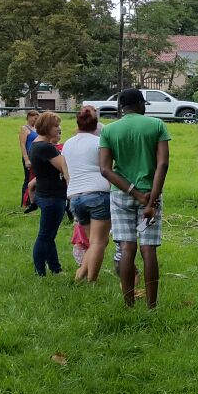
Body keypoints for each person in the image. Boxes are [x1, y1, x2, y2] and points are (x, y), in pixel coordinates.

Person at [98, 88, 170, 308]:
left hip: (121, 195)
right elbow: (163, 164)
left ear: (121, 107)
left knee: (127, 248)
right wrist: (149, 200)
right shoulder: (157, 125)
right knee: (148, 249)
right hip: (151, 195)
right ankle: (151, 305)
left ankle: (128, 303)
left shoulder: (109, 130)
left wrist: (134, 193)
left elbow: (105, 170)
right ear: (140, 104)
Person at [62, 105, 111, 282]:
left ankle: (80, 275)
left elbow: (66, 168)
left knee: (94, 242)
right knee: (99, 242)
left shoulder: (68, 143)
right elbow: (108, 167)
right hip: (97, 194)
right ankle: (92, 280)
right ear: (97, 124)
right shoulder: (99, 143)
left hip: (75, 197)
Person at [28, 111, 70, 276]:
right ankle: (40, 271)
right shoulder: (45, 147)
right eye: (56, 126)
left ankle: (55, 268)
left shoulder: (38, 145)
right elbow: (64, 167)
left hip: (46, 195)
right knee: (45, 235)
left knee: (49, 235)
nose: (59, 129)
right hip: (52, 197)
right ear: (46, 127)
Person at [19, 110, 39, 210]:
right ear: (29, 117)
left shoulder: (36, 129)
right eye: (35, 118)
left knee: (35, 180)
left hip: (36, 157)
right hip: (29, 157)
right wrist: (26, 159)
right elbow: (22, 144)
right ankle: (24, 203)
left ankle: (34, 201)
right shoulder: (24, 128)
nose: (36, 120)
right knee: (28, 179)